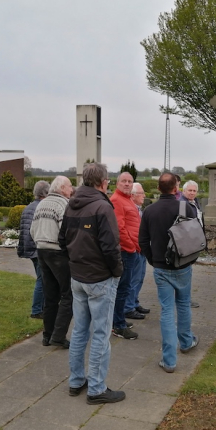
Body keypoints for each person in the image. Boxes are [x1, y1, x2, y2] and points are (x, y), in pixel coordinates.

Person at [58, 162, 125, 405]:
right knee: (99, 333)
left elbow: (62, 240)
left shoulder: (71, 204)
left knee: (79, 331)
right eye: (108, 181)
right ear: (103, 182)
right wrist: (117, 271)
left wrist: (76, 262)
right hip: (98, 278)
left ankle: (76, 380)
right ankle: (96, 388)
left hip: (78, 277)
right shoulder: (101, 207)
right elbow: (110, 247)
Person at [139, 172, 200, 374]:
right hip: (183, 266)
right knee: (183, 304)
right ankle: (186, 342)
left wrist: (152, 259)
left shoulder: (149, 211)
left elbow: (142, 241)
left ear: (158, 188)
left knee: (166, 311)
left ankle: (169, 360)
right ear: (176, 189)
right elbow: (195, 237)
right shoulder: (187, 208)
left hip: (161, 268)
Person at [30, 176, 73, 348]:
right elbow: (66, 231)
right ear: (62, 188)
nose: (72, 189)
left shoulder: (42, 203)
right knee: (68, 295)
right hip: (58, 252)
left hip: (41, 250)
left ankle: (47, 335)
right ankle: (59, 335)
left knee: (50, 296)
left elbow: (32, 230)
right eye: (70, 186)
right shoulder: (63, 204)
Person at [110, 172, 141, 338]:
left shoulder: (127, 199)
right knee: (122, 289)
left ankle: (118, 319)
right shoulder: (116, 200)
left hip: (132, 250)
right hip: (125, 251)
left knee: (124, 288)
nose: (127, 184)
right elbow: (119, 229)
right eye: (124, 181)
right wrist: (131, 247)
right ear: (117, 183)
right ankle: (118, 325)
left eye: (130, 181)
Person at [17, 180, 49, 319]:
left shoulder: (28, 207)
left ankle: (40, 307)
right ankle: (37, 310)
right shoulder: (41, 207)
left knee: (41, 278)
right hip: (37, 248)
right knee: (42, 279)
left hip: (29, 246)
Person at [124, 182, 150, 317]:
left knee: (139, 278)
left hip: (142, 248)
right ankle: (128, 308)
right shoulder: (130, 209)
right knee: (133, 279)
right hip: (134, 248)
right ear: (133, 195)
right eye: (141, 193)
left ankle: (134, 302)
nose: (144, 196)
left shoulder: (139, 209)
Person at [181, 180, 203, 308]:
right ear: (184, 191)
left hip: (194, 242)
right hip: (187, 244)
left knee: (188, 272)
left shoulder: (195, 202)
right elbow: (182, 225)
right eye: (189, 190)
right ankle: (185, 300)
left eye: (194, 191)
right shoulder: (183, 204)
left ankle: (186, 298)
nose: (192, 193)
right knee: (185, 273)